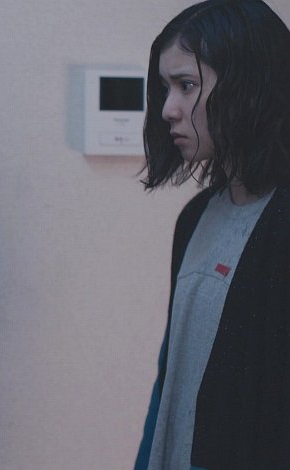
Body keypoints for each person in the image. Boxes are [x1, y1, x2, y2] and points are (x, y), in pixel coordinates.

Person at [135, 1, 290, 468]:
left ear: (250, 83)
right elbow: (170, 373)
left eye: (186, 85)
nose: (168, 109)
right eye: (165, 88)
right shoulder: (196, 216)